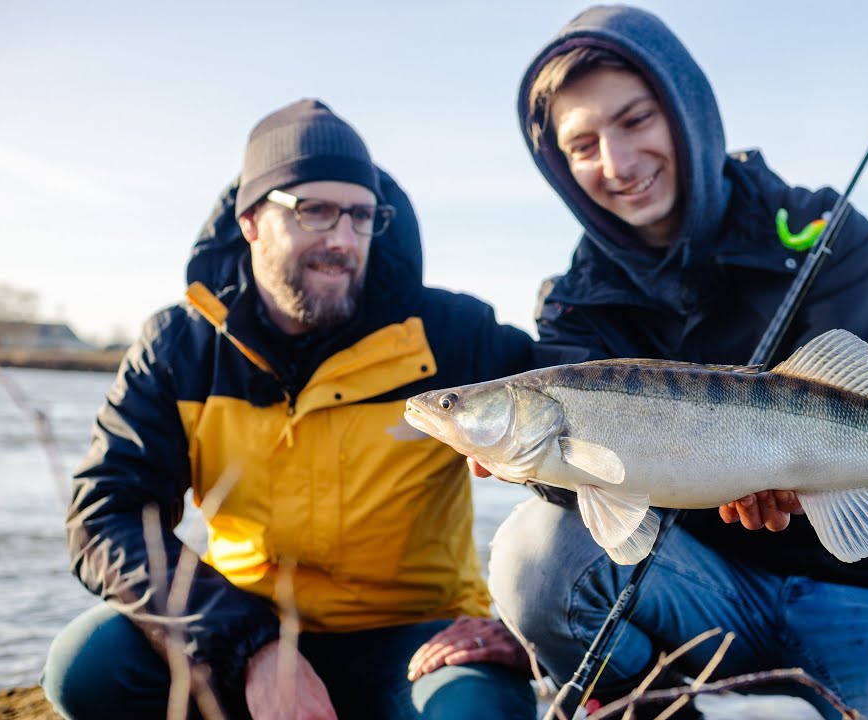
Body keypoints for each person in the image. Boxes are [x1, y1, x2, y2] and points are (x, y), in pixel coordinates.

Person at [483, 6, 868, 719]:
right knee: (531, 558)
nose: (618, 164)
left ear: (687, 112)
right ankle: (664, 708)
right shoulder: (575, 303)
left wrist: (789, 480)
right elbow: (593, 496)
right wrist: (532, 467)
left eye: (636, 121)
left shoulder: (823, 233)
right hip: (704, 593)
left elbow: (864, 411)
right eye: (583, 145)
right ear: (560, 166)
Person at [41, 99, 537, 720]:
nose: (342, 240)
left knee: (475, 713)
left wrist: (538, 636)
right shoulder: (179, 346)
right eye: (315, 212)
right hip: (243, 627)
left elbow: (589, 431)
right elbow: (105, 514)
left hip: (419, 640)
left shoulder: (458, 335)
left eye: (361, 216)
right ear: (250, 220)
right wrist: (252, 645)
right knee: (88, 666)